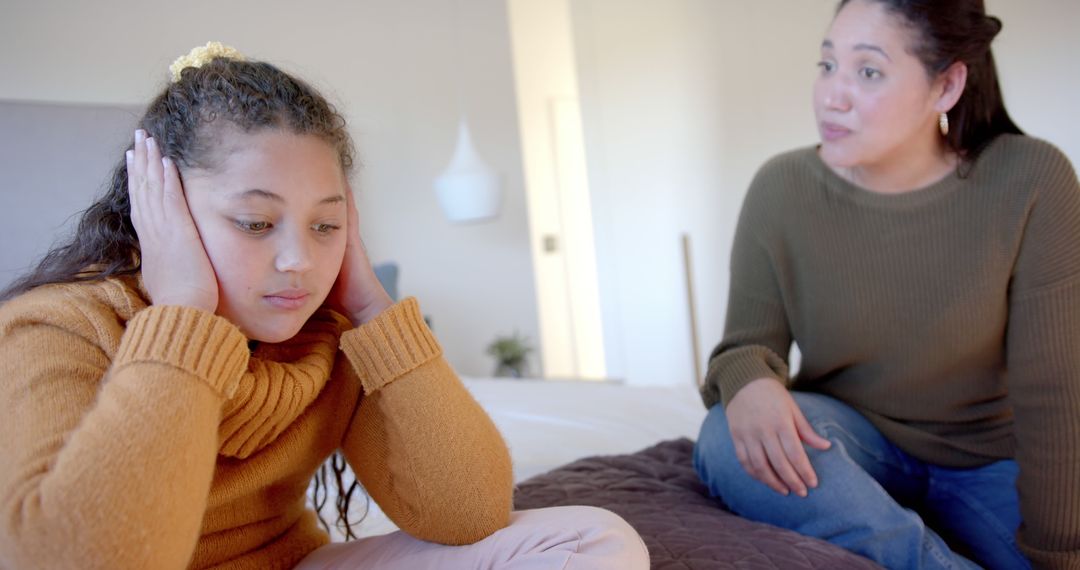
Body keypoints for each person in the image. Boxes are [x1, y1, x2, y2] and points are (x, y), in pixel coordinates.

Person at [0, 42, 649, 570]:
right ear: (158, 212)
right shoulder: (57, 327)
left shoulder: (323, 336)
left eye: (325, 226)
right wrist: (184, 317)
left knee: (592, 541)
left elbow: (469, 513)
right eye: (255, 223)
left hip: (295, 564)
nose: (299, 263)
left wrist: (370, 306)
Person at [692, 1, 1080, 569]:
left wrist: (1058, 555)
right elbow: (747, 346)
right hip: (846, 445)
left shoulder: (1030, 179)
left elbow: (1055, 392)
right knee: (724, 437)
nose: (832, 95)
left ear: (946, 86)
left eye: (867, 71)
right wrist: (749, 382)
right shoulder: (781, 189)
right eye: (827, 66)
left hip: (989, 459)